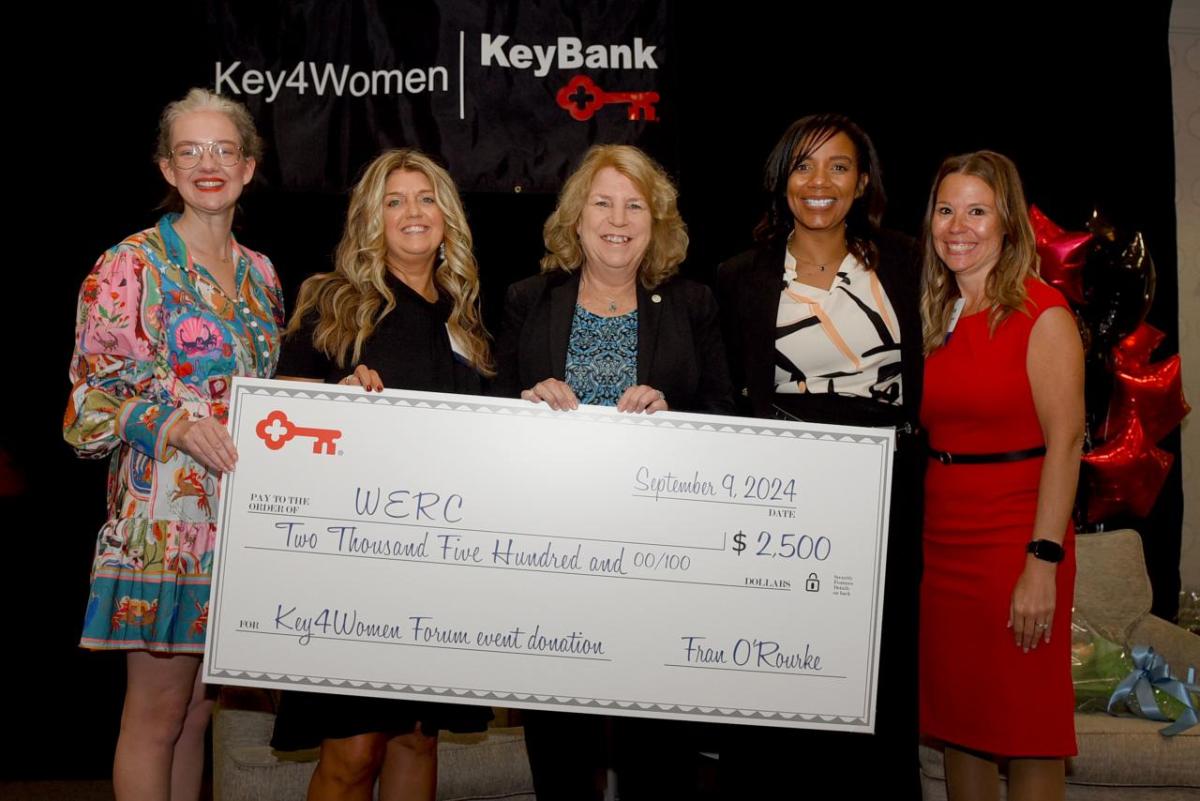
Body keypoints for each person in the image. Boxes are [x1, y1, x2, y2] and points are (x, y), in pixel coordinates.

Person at [493, 144, 733, 800]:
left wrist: (672, 410)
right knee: (561, 746)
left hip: (660, 563)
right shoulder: (526, 300)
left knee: (657, 752)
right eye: (602, 202)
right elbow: (487, 423)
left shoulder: (693, 304)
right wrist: (524, 405)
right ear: (576, 217)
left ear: (656, 223)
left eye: (635, 205)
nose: (617, 218)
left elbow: (725, 416)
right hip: (552, 556)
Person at [65, 88, 283, 801]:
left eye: (223, 149)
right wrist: (172, 425)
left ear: (248, 166)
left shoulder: (263, 275)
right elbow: (87, 399)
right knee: (156, 714)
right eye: (190, 150)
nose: (208, 164)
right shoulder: (130, 263)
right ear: (167, 167)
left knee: (197, 714)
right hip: (162, 520)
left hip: (238, 522)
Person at [268, 148, 494, 801]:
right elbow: (279, 422)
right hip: (351, 565)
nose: (413, 212)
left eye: (425, 198)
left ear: (446, 215)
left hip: (442, 564)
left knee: (417, 737)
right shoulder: (331, 302)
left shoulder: (468, 320)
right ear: (371, 218)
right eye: (394, 200)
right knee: (354, 748)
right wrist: (334, 399)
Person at [716, 112, 924, 797]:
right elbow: (720, 395)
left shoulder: (907, 261)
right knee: (779, 673)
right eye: (803, 166)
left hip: (885, 502)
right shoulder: (738, 276)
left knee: (875, 674)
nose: (820, 182)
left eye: (838, 166)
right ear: (781, 182)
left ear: (862, 181)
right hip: (782, 504)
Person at [919, 151, 1082, 800]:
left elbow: (1068, 441)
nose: (958, 225)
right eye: (946, 209)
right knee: (962, 725)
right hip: (944, 545)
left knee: (1028, 727)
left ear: (1008, 224)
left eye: (977, 211)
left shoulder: (1043, 314)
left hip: (1016, 542)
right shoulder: (937, 315)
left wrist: (1042, 561)